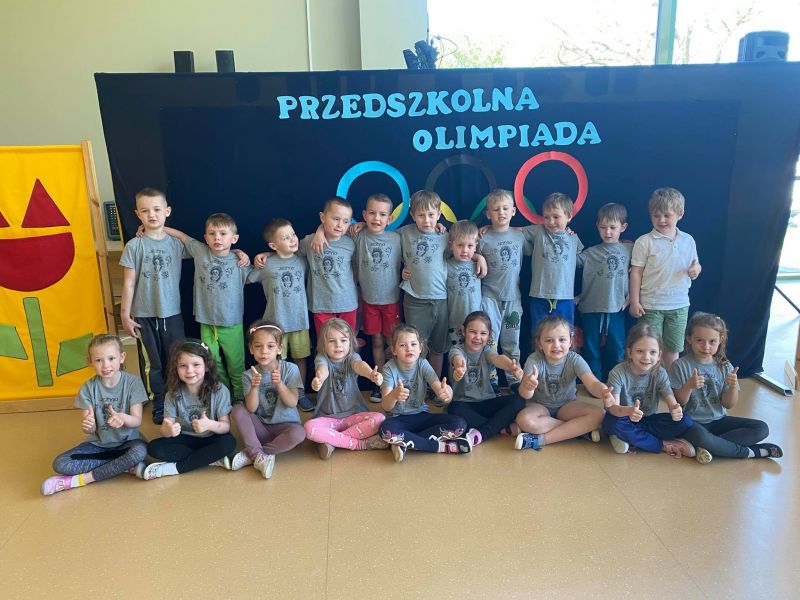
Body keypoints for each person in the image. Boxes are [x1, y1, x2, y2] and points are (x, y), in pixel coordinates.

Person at [159, 213, 252, 402]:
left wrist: (257, 256)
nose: (217, 238)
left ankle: (239, 396)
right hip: (206, 321)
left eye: (223, 234)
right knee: (212, 362)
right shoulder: (201, 251)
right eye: (212, 233)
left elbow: (260, 273)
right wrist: (156, 228)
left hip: (231, 323)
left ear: (234, 238)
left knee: (236, 363)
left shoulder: (239, 263)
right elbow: (182, 236)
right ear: (205, 237)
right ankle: (223, 393)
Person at [670, 312, 783, 463]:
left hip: (719, 420)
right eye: (699, 340)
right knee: (701, 437)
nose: (706, 347)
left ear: (720, 340)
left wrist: (733, 387)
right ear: (689, 339)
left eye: (712, 341)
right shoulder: (679, 365)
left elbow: (728, 404)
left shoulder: (724, 366)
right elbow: (679, 402)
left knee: (761, 428)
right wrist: (689, 386)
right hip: (692, 423)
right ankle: (750, 452)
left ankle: (710, 446)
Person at [41, 335, 148, 495]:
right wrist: (88, 425)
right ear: (90, 362)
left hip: (128, 443)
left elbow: (137, 420)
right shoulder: (87, 388)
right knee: (60, 463)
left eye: (111, 358)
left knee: (140, 452)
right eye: (98, 360)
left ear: (122, 357)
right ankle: (122, 465)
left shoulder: (133, 383)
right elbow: (89, 430)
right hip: (99, 445)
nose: (106, 365)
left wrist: (123, 418)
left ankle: (81, 480)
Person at [398, 191, 487, 377]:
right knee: (415, 348)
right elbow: (382, 234)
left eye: (431, 215)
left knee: (438, 348)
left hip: (441, 300)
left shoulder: (445, 236)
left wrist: (479, 257)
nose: (427, 220)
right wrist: (362, 225)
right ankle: (417, 385)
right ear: (413, 215)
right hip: (415, 299)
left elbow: (463, 248)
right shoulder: (405, 233)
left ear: (439, 214)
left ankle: (435, 386)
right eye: (421, 215)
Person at [119, 187, 188, 424]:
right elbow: (128, 284)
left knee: (177, 358)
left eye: (157, 209)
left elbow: (193, 242)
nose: (152, 215)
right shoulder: (134, 246)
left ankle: (178, 399)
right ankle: (159, 401)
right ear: (137, 214)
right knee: (153, 363)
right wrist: (125, 316)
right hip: (144, 315)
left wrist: (164, 229)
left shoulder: (176, 244)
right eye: (145, 211)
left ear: (167, 211)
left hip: (172, 314)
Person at [629, 188, 702, 369]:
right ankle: (649, 382)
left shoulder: (688, 240)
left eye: (667, 215)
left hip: (679, 305)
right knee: (648, 348)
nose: (661, 220)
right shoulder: (644, 241)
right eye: (656, 215)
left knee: (673, 349)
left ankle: (670, 383)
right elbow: (636, 272)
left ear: (680, 214)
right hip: (651, 305)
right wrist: (634, 301)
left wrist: (696, 270)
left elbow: (696, 264)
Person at [144, 340, 236, 479]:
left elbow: (225, 427)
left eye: (196, 364)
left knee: (229, 443)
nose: (189, 371)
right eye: (183, 366)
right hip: (186, 438)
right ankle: (208, 458)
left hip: (212, 437)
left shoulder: (219, 390)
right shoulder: (172, 394)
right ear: (176, 368)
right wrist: (168, 431)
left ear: (206, 366)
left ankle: (178, 468)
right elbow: (165, 428)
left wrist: (209, 425)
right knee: (153, 448)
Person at [248, 218, 314, 411]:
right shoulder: (266, 265)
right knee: (277, 362)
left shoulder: (303, 260)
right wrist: (244, 255)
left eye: (293, 234)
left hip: (300, 321)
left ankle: (299, 394)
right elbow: (247, 278)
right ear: (273, 245)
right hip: (275, 325)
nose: (293, 239)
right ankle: (279, 394)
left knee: (300, 358)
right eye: (285, 238)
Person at [602, 322, 695, 458]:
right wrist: (629, 411)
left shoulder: (660, 373)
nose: (646, 357)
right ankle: (661, 444)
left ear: (659, 355)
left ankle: (632, 438)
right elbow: (614, 409)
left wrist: (675, 410)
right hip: (623, 418)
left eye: (652, 352)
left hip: (647, 420)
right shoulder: (618, 373)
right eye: (640, 351)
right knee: (613, 423)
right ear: (630, 352)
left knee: (686, 421)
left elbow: (671, 400)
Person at [379, 324, 471, 462]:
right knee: (385, 430)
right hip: (398, 418)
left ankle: (405, 442)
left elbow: (439, 388)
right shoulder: (388, 368)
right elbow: (386, 406)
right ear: (394, 350)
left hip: (421, 415)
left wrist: (447, 393)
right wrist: (394, 395)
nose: (409, 348)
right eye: (403, 345)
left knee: (459, 424)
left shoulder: (423, 364)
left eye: (413, 344)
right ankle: (439, 447)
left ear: (420, 348)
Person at [514, 316, 607, 451]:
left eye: (562, 340)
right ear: (539, 343)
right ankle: (578, 431)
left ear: (570, 341)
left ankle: (541, 439)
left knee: (600, 414)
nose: (556, 345)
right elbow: (525, 394)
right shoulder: (534, 359)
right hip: (539, 406)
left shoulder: (575, 359)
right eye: (549, 340)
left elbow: (592, 384)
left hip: (567, 406)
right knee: (524, 420)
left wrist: (603, 391)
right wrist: (528, 386)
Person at [230, 320, 307, 479]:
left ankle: (255, 453)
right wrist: (254, 387)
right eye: (258, 346)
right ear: (251, 349)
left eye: (270, 346)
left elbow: (292, 402)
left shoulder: (290, 369)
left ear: (279, 349)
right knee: (237, 409)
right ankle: (257, 454)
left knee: (299, 433)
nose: (264, 351)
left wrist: (279, 384)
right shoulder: (248, 375)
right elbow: (251, 409)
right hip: (261, 428)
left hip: (285, 427)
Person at [304, 318, 388, 459]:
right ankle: (360, 444)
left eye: (343, 340)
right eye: (332, 341)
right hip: (327, 417)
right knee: (308, 428)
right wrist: (319, 379)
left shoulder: (352, 357)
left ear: (350, 343)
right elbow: (322, 369)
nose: (338, 345)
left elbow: (359, 365)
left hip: (354, 415)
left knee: (380, 418)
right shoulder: (322, 358)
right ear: (324, 345)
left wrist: (371, 374)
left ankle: (333, 440)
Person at [447, 311, 526, 446]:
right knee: (453, 409)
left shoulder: (487, 350)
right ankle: (500, 428)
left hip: (488, 401)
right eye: (473, 332)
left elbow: (497, 359)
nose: (478, 337)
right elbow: (457, 358)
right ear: (463, 331)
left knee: (519, 401)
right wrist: (459, 367)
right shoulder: (456, 349)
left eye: (483, 333)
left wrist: (511, 366)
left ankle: (483, 432)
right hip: (464, 403)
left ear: (489, 335)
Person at [352, 194, 403, 401]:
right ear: (364, 215)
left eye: (382, 214)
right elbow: (332, 229)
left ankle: (395, 383)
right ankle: (380, 382)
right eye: (372, 213)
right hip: (369, 301)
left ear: (389, 219)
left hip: (391, 301)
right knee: (377, 342)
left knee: (393, 343)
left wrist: (440, 226)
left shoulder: (397, 238)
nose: (376, 218)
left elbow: (421, 234)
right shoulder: (358, 236)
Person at [478, 189, 531, 389]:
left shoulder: (520, 236)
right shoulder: (482, 237)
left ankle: (514, 378)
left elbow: (546, 231)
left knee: (512, 341)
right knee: (489, 341)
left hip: (513, 299)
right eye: (496, 209)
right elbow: (463, 249)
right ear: (488, 214)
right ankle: (490, 379)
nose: (501, 213)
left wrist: (567, 230)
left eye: (505, 208)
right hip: (489, 298)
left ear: (513, 211)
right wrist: (477, 256)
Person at [577, 203, 633, 380]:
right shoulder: (590, 253)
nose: (607, 232)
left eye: (612, 227)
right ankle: (594, 384)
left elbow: (645, 267)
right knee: (591, 350)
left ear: (623, 227)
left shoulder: (630, 249)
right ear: (597, 227)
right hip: (590, 309)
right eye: (603, 227)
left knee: (617, 350)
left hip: (616, 309)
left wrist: (633, 296)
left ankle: (618, 384)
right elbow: (569, 262)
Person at [522, 193, 584, 335]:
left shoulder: (573, 238)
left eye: (556, 217)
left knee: (566, 334)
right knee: (538, 334)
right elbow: (516, 230)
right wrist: (489, 227)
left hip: (565, 296)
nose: (551, 221)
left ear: (569, 216)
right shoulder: (539, 231)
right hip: (540, 295)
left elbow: (582, 257)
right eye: (546, 217)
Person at [445, 220, 483, 348]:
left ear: (476, 246)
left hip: (475, 322)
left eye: (470, 246)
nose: (465, 250)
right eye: (460, 245)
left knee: (475, 352)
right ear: (451, 245)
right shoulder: (446, 265)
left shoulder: (478, 265)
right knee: (456, 353)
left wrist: (480, 258)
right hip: (454, 321)